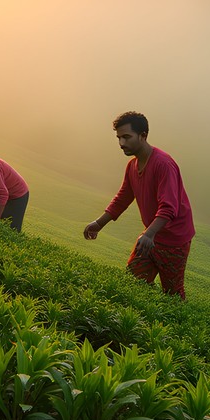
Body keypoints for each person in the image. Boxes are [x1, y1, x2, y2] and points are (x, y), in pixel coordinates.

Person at [83, 111, 195, 299]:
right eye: (119, 138)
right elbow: (123, 198)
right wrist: (99, 223)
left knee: (172, 293)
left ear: (143, 136)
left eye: (127, 137)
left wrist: (149, 234)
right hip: (149, 237)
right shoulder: (132, 166)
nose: (121, 144)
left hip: (174, 240)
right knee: (133, 282)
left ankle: (176, 326)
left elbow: (169, 207)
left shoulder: (163, 164)